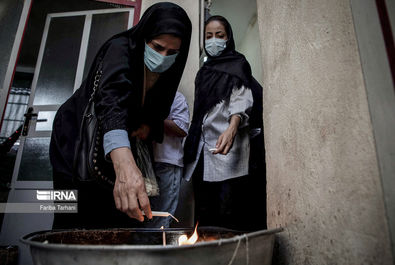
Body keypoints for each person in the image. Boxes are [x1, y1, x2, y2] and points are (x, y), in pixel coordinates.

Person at [49, 2, 192, 229]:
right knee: (70, 214)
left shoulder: (166, 73)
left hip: (111, 151)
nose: (163, 57)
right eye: (157, 47)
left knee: (112, 219)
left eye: (172, 53)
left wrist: (148, 126)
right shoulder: (120, 47)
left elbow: (154, 112)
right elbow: (111, 101)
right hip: (74, 140)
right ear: (145, 37)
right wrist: (125, 164)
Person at [183, 15, 266, 231]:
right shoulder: (203, 73)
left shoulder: (238, 64)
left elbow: (241, 98)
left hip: (229, 146)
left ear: (228, 37)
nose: (213, 40)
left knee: (229, 208)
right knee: (204, 210)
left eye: (219, 35)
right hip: (203, 150)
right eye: (208, 36)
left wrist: (232, 127)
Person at [144, 91, 189, 228]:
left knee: (161, 219)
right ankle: (145, 248)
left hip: (167, 163)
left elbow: (182, 128)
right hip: (145, 165)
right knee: (144, 218)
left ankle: (157, 248)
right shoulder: (143, 94)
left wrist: (154, 120)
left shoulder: (176, 96)